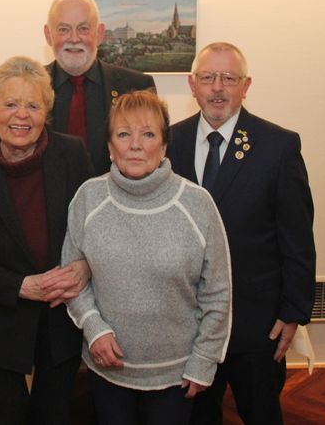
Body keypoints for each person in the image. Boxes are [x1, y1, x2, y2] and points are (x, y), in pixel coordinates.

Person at [167, 42, 316, 424]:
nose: (218, 87)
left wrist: (294, 310)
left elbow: (297, 236)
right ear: (192, 84)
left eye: (229, 78)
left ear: (246, 85)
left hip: (256, 322)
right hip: (189, 322)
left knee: (261, 413)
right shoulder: (168, 143)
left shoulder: (278, 145)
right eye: (208, 78)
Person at [62, 91, 232, 425]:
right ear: (110, 147)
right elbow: (72, 278)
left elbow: (218, 293)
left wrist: (204, 360)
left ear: (164, 146)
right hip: (108, 368)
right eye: (124, 134)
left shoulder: (198, 204)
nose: (135, 145)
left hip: (177, 373)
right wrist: (94, 329)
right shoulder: (88, 197)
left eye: (148, 133)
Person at [0, 56, 94, 424]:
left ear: (47, 111)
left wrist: (86, 267)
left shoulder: (72, 154)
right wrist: (19, 286)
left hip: (60, 317)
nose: (21, 115)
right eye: (10, 104)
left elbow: (96, 229)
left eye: (32, 105)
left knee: (53, 413)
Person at [44, 0, 157, 174]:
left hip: (118, 199)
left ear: (100, 34)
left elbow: (151, 156)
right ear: (48, 35)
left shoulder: (137, 86)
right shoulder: (30, 87)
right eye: (63, 29)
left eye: (83, 29)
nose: (74, 39)